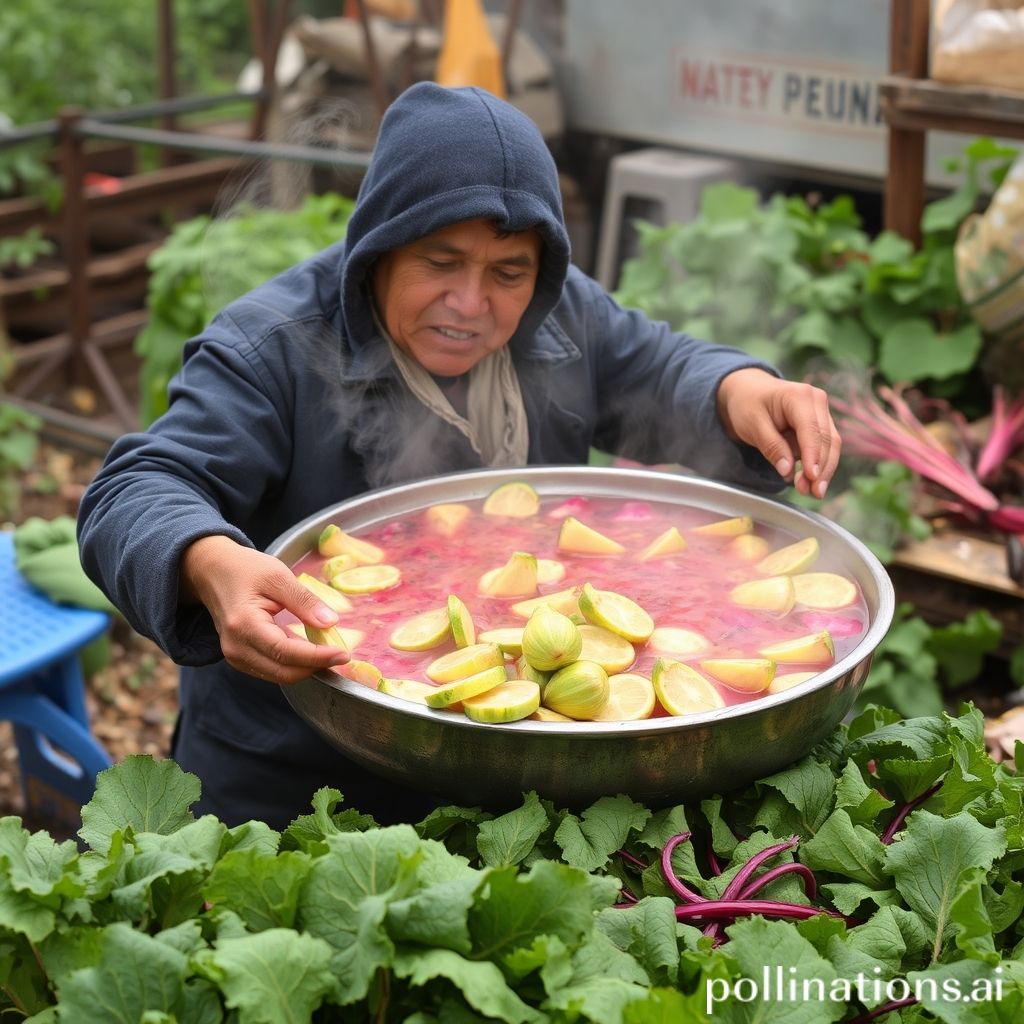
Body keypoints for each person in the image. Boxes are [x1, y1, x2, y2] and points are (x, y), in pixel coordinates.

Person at [78, 82, 840, 831]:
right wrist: (210, 561)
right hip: (299, 778)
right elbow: (138, 487)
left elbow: (665, 370)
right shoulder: (270, 347)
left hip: (516, 777)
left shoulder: (558, 314)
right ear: (377, 246)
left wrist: (737, 388)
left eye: (508, 272)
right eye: (441, 262)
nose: (472, 303)